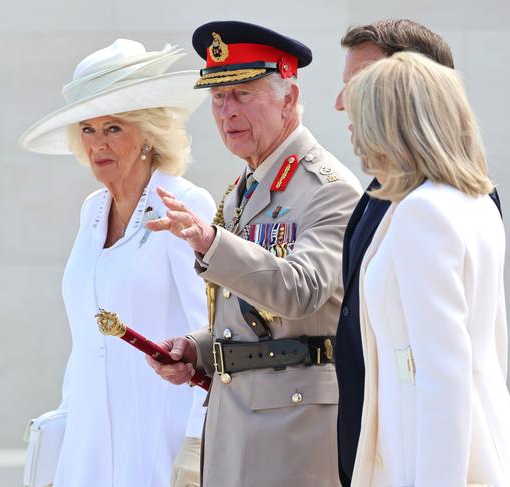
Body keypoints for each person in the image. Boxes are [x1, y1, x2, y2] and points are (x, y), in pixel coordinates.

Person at [146, 21, 362, 486]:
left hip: (293, 426)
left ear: (289, 96)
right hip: (233, 419)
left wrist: (211, 241)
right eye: (218, 98)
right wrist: (198, 349)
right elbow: (252, 317)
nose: (227, 112)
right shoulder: (245, 187)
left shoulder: (328, 188)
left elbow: (301, 292)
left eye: (243, 93)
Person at [19, 39, 215, 487]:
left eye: (113, 128)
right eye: (87, 130)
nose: (97, 144)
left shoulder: (182, 202)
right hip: (87, 446)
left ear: (147, 134)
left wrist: (195, 447)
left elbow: (210, 330)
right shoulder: (91, 211)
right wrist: (61, 442)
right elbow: (85, 341)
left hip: (158, 441)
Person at [344, 51, 510, 486]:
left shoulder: (423, 213)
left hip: (427, 453)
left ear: (390, 123)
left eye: (362, 114)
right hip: (479, 437)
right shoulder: (473, 203)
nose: (353, 129)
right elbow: (489, 351)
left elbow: (443, 375)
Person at [332, 20, 470, 485]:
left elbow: (445, 378)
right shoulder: (389, 193)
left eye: (362, 84)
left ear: (410, 90)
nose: (342, 102)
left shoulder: (427, 208)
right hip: (380, 446)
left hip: (413, 454)